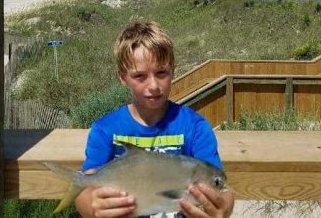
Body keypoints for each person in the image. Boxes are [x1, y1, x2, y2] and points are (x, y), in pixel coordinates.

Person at [75, 21, 235, 218]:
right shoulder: (104, 129)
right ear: (123, 78)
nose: (153, 85)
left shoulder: (195, 127)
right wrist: (92, 208)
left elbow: (221, 187)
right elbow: (85, 188)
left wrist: (223, 210)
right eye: (140, 76)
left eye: (161, 73)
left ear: (173, 69)